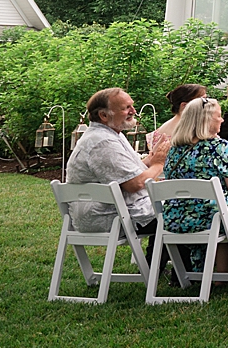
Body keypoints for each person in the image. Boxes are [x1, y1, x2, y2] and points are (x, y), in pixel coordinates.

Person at [160, 97, 228, 289]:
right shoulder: (217, 147)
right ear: (205, 120)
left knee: (224, 212)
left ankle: (221, 275)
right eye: (219, 116)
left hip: (174, 219)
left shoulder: (174, 150)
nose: (222, 120)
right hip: (208, 217)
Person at [64, 87, 168, 239]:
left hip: (120, 211)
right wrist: (158, 164)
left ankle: (159, 260)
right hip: (109, 217)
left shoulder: (109, 134)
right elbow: (134, 184)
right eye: (126, 108)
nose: (133, 111)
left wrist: (151, 159)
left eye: (132, 106)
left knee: (185, 209)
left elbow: (128, 173)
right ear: (104, 115)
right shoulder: (102, 141)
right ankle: (170, 261)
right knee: (190, 213)